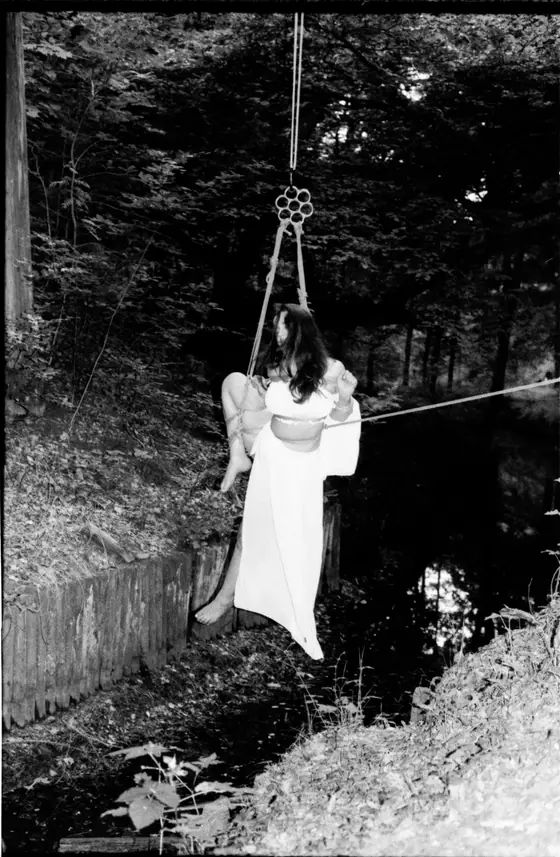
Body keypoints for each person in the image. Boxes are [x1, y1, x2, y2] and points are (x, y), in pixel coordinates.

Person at [195, 303, 361, 659]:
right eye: (276, 326)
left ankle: (299, 614)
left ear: (300, 329)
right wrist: (264, 392)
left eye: (283, 326)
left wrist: (345, 399)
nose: (278, 332)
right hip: (271, 451)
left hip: (300, 466)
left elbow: (340, 418)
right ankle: (226, 598)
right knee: (233, 382)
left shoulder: (331, 370)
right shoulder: (276, 364)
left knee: (295, 538)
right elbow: (275, 406)